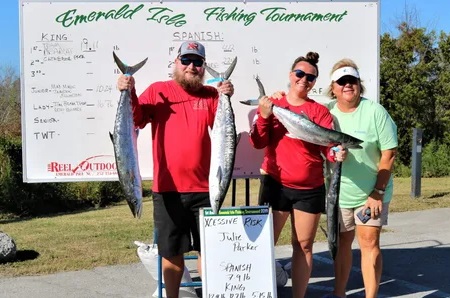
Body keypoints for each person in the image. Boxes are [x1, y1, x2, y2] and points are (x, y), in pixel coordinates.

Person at [117, 41, 234, 298]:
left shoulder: (212, 96)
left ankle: (210, 294)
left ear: (203, 67)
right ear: (176, 62)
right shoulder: (158, 90)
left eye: (198, 62)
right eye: (186, 61)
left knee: (208, 252)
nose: (192, 66)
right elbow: (137, 119)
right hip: (167, 189)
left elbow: (226, 130)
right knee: (171, 254)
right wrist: (129, 91)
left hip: (207, 188)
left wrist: (226, 94)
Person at [249, 52, 346, 298]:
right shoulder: (274, 104)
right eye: (300, 74)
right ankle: (260, 292)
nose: (304, 79)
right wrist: (263, 115)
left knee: (303, 246)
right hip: (276, 185)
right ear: (291, 75)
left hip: (310, 188)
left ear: (315, 82)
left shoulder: (320, 112)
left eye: (310, 77)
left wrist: (336, 153)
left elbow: (328, 147)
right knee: (263, 246)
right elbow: (258, 143)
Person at [323, 59, 398, 298]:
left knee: (369, 244)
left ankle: (371, 296)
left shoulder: (375, 111)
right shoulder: (326, 113)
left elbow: (390, 153)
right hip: (339, 194)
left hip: (371, 194)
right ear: (333, 87)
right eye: (341, 81)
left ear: (359, 85)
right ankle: (339, 293)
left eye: (352, 80)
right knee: (342, 245)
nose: (347, 85)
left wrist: (377, 192)